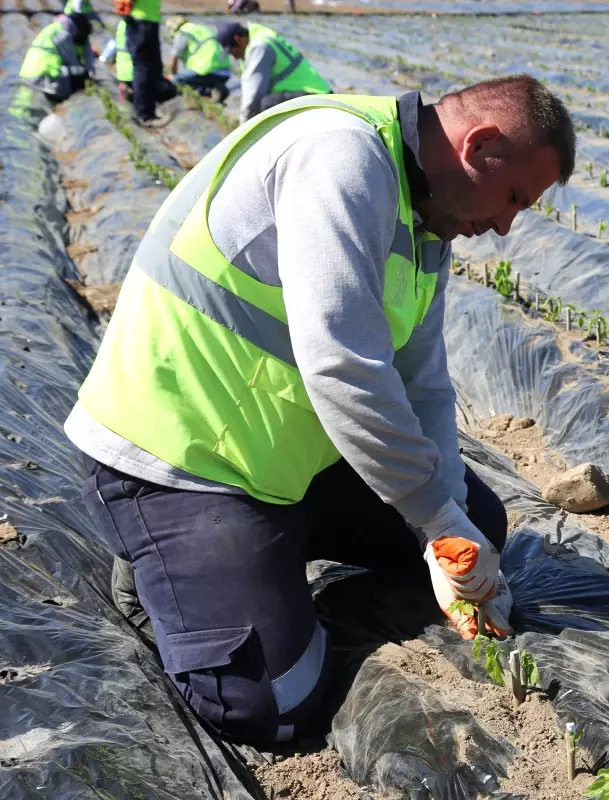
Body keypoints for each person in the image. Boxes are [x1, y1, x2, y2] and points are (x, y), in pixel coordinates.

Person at [68, 75, 575, 747]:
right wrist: (433, 519)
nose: (507, 225)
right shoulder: (342, 157)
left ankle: (263, 561)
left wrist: (449, 526)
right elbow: (342, 365)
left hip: (283, 457)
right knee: (275, 705)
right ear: (479, 146)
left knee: (481, 521)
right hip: (182, 458)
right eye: (513, 198)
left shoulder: (427, 225)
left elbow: (424, 386)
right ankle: (153, 567)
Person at [215, 22, 330, 124]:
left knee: (266, 105)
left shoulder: (259, 48)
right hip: (311, 92)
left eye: (231, 51)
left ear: (238, 39)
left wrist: (243, 129)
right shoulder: (257, 38)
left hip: (314, 95)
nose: (233, 57)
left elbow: (254, 95)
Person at [118, 0, 176, 123]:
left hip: (148, 20)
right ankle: (144, 114)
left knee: (153, 67)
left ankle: (149, 111)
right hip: (141, 21)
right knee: (144, 67)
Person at [19, 13, 94, 103]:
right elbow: (71, 61)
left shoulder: (55, 28)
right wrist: (87, 72)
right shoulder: (63, 35)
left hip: (28, 74)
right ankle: (64, 100)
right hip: (43, 77)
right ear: (79, 28)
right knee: (80, 75)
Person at [164, 17, 231, 103]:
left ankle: (209, 92)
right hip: (225, 72)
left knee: (177, 81)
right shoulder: (202, 29)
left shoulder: (182, 33)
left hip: (206, 70)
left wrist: (173, 76)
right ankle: (217, 89)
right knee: (196, 79)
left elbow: (174, 59)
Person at [99, 18, 134, 102]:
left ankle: (123, 101)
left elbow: (109, 49)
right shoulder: (137, 25)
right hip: (135, 71)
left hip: (122, 71)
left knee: (124, 92)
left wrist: (102, 58)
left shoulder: (121, 27)